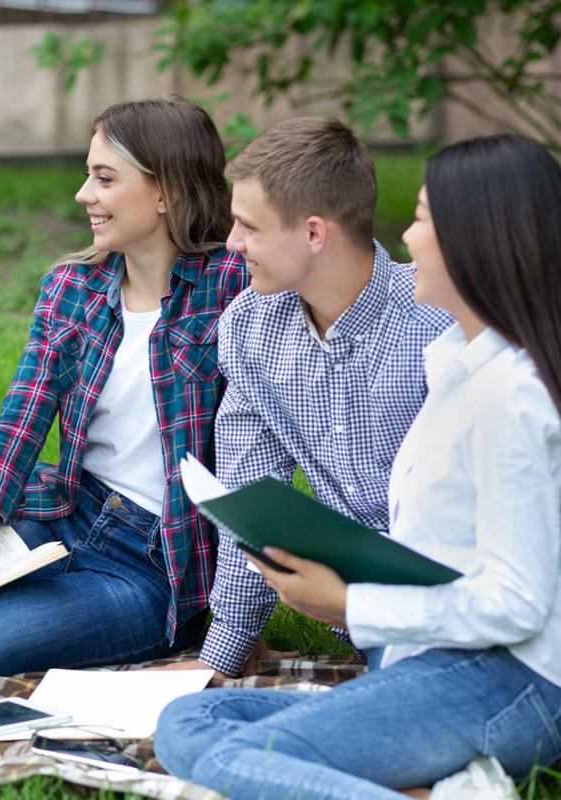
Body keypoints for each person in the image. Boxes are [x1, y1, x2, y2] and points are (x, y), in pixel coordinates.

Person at [156, 133, 561, 799]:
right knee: (190, 721)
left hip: (509, 675)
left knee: (234, 761)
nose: (403, 235)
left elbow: (516, 605)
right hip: (433, 652)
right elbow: (247, 482)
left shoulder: (505, 393)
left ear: (474, 240)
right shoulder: (458, 368)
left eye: (423, 217)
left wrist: (346, 602)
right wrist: (225, 651)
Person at [0, 96, 248, 675]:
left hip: (154, 560)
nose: (84, 195)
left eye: (104, 179)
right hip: (64, 511)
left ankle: (52, 612)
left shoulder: (233, 290)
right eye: (88, 176)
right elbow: (15, 433)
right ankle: (15, 595)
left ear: (165, 192)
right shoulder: (72, 287)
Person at [169, 117, 452, 679]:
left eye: (249, 227)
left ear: (314, 234)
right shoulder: (248, 328)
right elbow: (251, 500)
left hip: (452, 596)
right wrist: (221, 657)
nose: (232, 244)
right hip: (354, 609)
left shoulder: (437, 323)